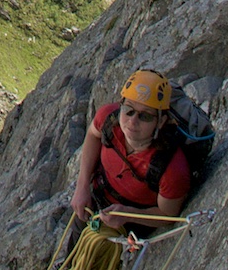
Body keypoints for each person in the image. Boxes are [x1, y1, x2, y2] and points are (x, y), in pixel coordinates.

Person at [71, 70, 190, 232]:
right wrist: (82, 186)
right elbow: (93, 134)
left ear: (161, 121)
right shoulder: (108, 119)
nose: (132, 121)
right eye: (129, 110)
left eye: (145, 116)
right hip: (95, 202)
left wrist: (128, 215)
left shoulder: (172, 170)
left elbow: (167, 214)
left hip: (131, 227)